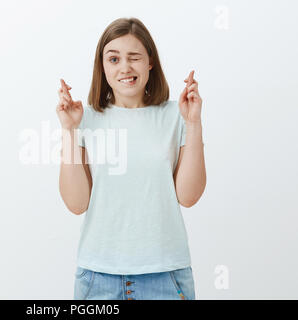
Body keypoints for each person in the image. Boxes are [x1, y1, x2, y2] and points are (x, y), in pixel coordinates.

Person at [56, 17, 206, 300]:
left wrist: (194, 124)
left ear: (150, 61)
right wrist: (69, 130)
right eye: (113, 59)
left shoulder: (177, 115)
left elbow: (188, 196)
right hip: (98, 276)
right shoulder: (84, 118)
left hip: (166, 274)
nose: (124, 67)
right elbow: (76, 204)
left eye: (133, 57)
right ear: (103, 66)